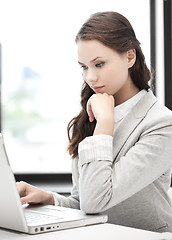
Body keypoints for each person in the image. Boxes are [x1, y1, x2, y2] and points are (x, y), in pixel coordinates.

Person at [17, 11, 172, 232]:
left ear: (130, 57)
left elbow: (97, 200)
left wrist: (105, 123)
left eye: (99, 64)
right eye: (84, 67)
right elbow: (85, 204)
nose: (90, 77)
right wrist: (50, 199)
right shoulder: (93, 114)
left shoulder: (162, 124)